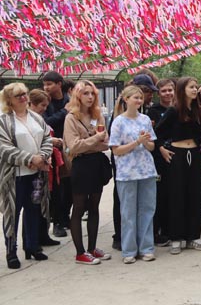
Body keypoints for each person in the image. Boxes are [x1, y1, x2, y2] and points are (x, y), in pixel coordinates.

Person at [155, 77, 201, 254]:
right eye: (191, 87)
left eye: (196, 87)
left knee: (195, 195)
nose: (195, 90)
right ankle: (176, 237)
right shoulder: (173, 111)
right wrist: (162, 149)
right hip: (177, 155)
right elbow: (157, 132)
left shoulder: (197, 111)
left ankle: (193, 236)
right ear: (182, 89)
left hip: (194, 156)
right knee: (176, 196)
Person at [0, 83, 53, 269]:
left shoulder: (36, 117)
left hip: (36, 175)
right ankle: (11, 252)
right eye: (18, 95)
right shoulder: (3, 120)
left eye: (24, 94)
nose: (23, 98)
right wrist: (30, 158)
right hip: (15, 177)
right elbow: (3, 148)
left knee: (34, 210)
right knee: (12, 214)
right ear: (9, 100)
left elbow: (47, 138)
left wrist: (43, 157)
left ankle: (32, 246)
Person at [108, 86, 158, 264]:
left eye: (140, 98)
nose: (138, 101)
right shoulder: (118, 122)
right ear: (126, 99)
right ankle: (129, 250)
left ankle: (146, 247)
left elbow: (152, 146)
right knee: (128, 212)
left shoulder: (144, 119)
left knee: (147, 209)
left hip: (146, 170)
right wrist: (136, 142)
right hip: (127, 173)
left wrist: (145, 142)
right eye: (135, 97)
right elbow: (116, 150)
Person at [63, 81, 111, 265]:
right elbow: (74, 146)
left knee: (94, 206)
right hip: (81, 165)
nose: (90, 97)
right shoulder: (71, 118)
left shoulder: (98, 115)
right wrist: (94, 139)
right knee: (79, 207)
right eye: (85, 93)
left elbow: (105, 142)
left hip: (97, 162)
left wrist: (90, 141)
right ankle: (80, 252)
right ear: (77, 96)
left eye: (92, 93)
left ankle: (92, 248)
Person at [27, 89, 62, 248]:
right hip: (35, 165)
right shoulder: (27, 120)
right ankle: (32, 241)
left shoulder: (39, 119)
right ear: (31, 104)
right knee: (34, 204)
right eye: (42, 105)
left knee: (45, 201)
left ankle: (43, 234)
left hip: (47, 164)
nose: (44, 109)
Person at [146, 78, 175, 247]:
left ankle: (171, 229)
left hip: (176, 154)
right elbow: (153, 135)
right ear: (158, 93)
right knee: (159, 195)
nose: (167, 94)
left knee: (173, 193)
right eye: (163, 91)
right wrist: (160, 148)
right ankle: (157, 231)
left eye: (170, 90)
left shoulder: (179, 108)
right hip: (159, 156)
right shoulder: (153, 111)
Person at [42, 71, 71, 239]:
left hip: (70, 148)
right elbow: (46, 122)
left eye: (49, 84)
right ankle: (57, 222)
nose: (46, 87)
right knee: (57, 188)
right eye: (45, 84)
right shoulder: (46, 102)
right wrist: (64, 113)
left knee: (70, 187)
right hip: (53, 149)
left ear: (59, 84)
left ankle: (65, 216)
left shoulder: (70, 100)